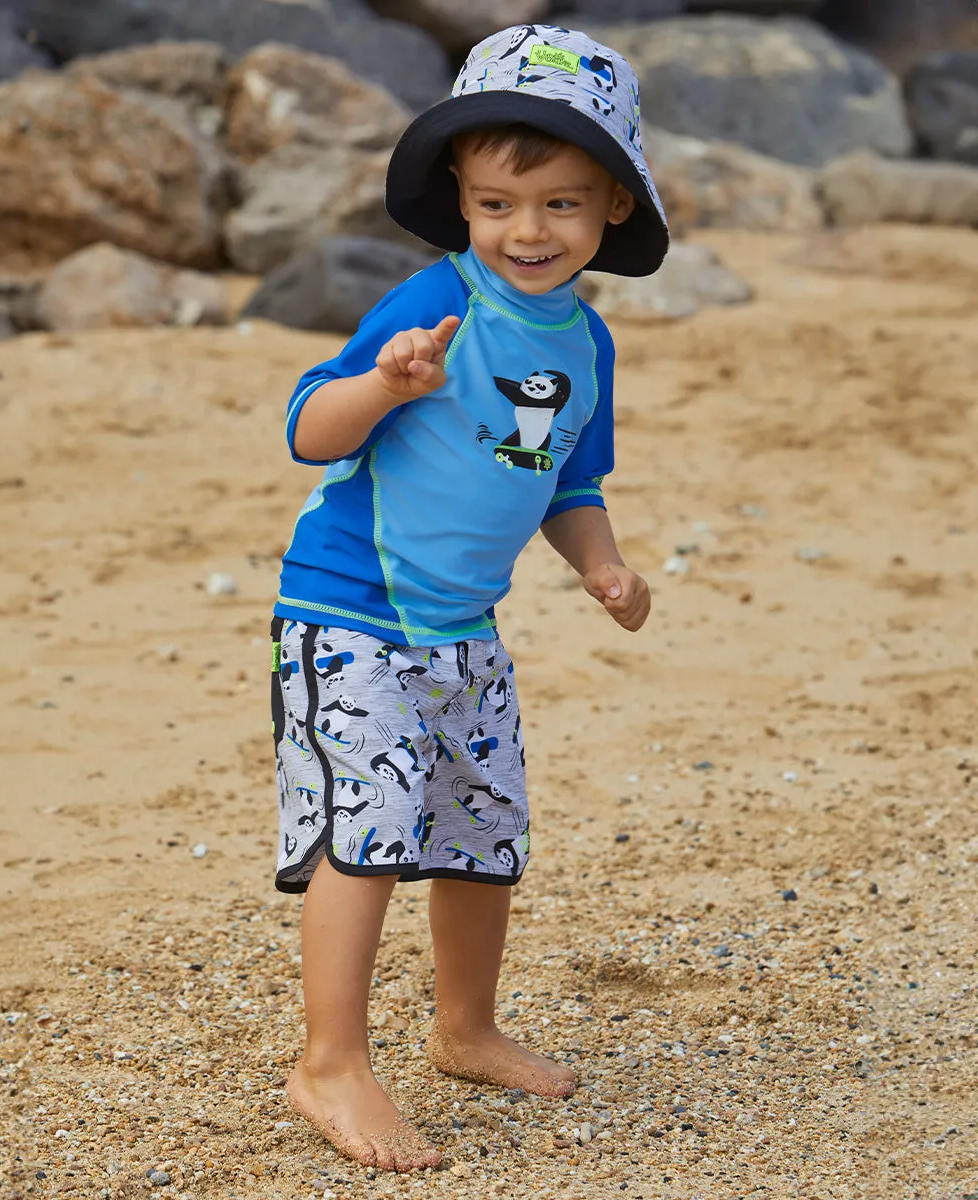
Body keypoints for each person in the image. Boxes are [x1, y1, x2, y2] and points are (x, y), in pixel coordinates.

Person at [269, 23, 669, 1172]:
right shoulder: (429, 305)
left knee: (478, 834)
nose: (527, 232)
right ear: (459, 195)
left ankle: (465, 1026)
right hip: (350, 614)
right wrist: (383, 386)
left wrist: (600, 563)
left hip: (462, 630)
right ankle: (329, 1062)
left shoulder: (585, 341)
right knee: (373, 836)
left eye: (559, 206)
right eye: (498, 204)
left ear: (614, 209)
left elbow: (566, 479)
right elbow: (305, 428)